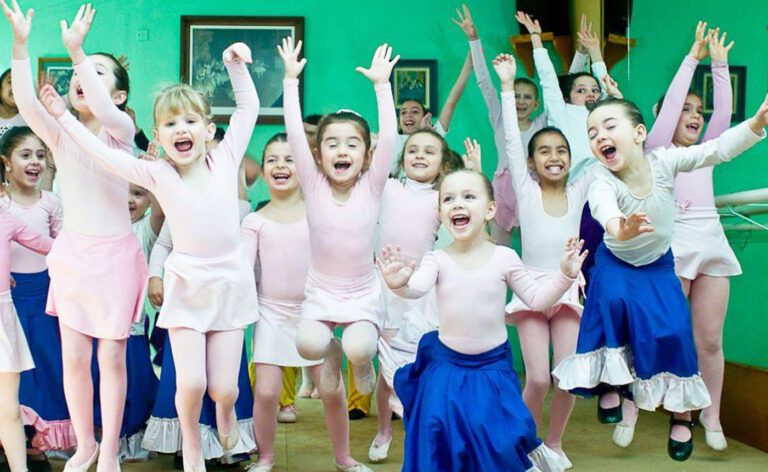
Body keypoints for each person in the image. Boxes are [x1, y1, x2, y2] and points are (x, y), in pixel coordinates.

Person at [552, 96, 767, 461]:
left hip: (658, 265)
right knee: (611, 303)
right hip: (616, 261)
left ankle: (682, 416)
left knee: (674, 330)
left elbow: (716, 151)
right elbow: (604, 209)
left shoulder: (665, 161)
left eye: (608, 126)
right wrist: (621, 227)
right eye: (592, 132)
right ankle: (610, 382)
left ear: (638, 133)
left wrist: (756, 125)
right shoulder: (601, 179)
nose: (599, 135)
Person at [4, 3, 148, 469]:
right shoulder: (61, 134)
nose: (81, 78)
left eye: (100, 73)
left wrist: (80, 53)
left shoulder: (120, 132)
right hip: (74, 256)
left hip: (117, 258)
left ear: (121, 95)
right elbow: (26, 104)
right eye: (77, 74)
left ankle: (109, 450)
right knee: (74, 359)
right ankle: (85, 443)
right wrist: (21, 46)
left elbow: (103, 110)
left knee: (112, 358)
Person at [378, 167, 585, 471]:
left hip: (492, 370)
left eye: (468, 196)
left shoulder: (505, 258)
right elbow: (416, 288)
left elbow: (538, 299)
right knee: (437, 435)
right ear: (440, 213)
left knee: (500, 442)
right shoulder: (438, 259)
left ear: (489, 210)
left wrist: (565, 276)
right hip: (446, 369)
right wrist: (398, 283)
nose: (457, 204)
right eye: (448, 199)